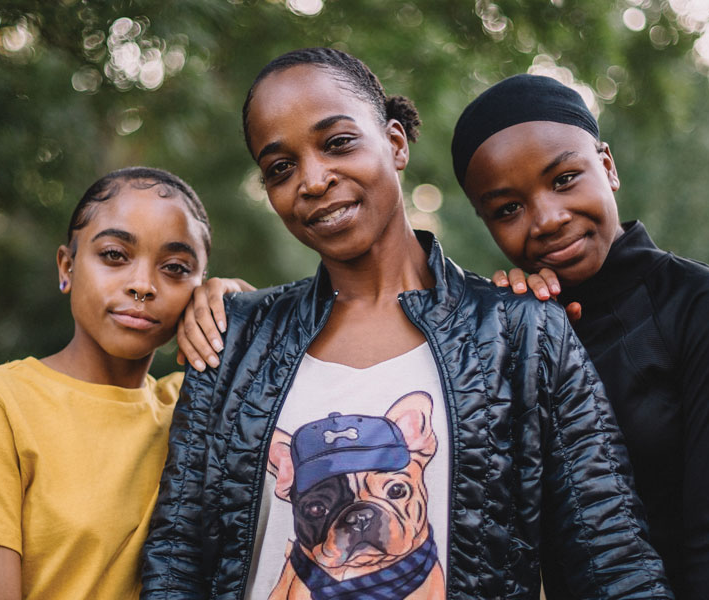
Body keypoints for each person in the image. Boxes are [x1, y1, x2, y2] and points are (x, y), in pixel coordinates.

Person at [141, 47, 672, 600]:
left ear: (395, 142)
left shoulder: (522, 332)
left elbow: (610, 557)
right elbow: (177, 558)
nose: (314, 179)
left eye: (338, 142)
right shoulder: (232, 340)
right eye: (281, 167)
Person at [450, 74, 709, 599]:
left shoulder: (704, 305)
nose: (547, 219)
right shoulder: (511, 340)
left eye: (565, 178)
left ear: (607, 166)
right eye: (508, 209)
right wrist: (512, 333)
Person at [0, 167, 251, 599]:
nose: (143, 285)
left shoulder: (192, 410)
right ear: (67, 267)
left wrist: (235, 306)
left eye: (175, 268)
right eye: (114, 255)